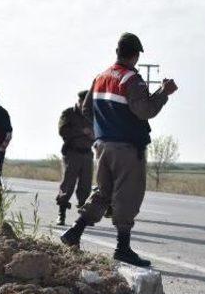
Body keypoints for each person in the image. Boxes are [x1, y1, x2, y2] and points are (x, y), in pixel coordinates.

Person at [60, 33, 178, 267]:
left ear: (117, 52)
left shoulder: (101, 77)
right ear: (135, 55)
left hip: (103, 146)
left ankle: (74, 231)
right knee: (128, 194)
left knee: (103, 192)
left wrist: (101, 133)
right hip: (127, 147)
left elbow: (86, 109)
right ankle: (122, 248)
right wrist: (164, 93)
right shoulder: (131, 79)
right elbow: (144, 111)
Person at [55, 90, 95, 225]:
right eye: (85, 102)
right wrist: (82, 131)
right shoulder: (69, 114)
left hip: (87, 154)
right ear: (79, 101)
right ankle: (62, 214)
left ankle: (83, 219)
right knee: (68, 185)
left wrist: (92, 135)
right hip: (72, 153)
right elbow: (62, 131)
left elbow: (99, 132)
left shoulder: (92, 115)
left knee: (85, 186)